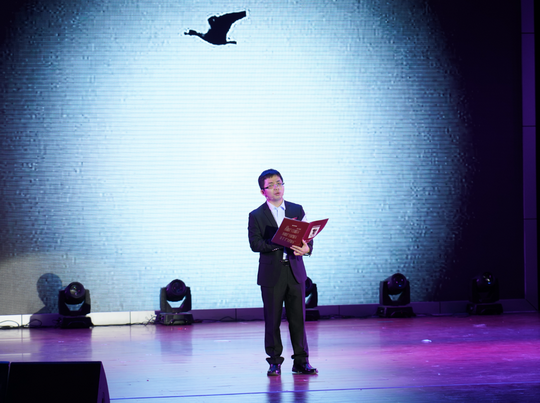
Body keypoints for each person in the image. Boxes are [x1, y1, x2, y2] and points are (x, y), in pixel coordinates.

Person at [248, 169, 318, 376]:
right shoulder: (256, 215)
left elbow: (308, 237)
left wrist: (307, 249)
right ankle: (274, 362)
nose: (276, 188)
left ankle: (301, 362)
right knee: (273, 320)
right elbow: (255, 244)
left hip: (295, 271)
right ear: (263, 192)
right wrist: (279, 241)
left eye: (279, 183)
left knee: (298, 319)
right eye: (270, 185)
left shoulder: (297, 209)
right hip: (272, 274)